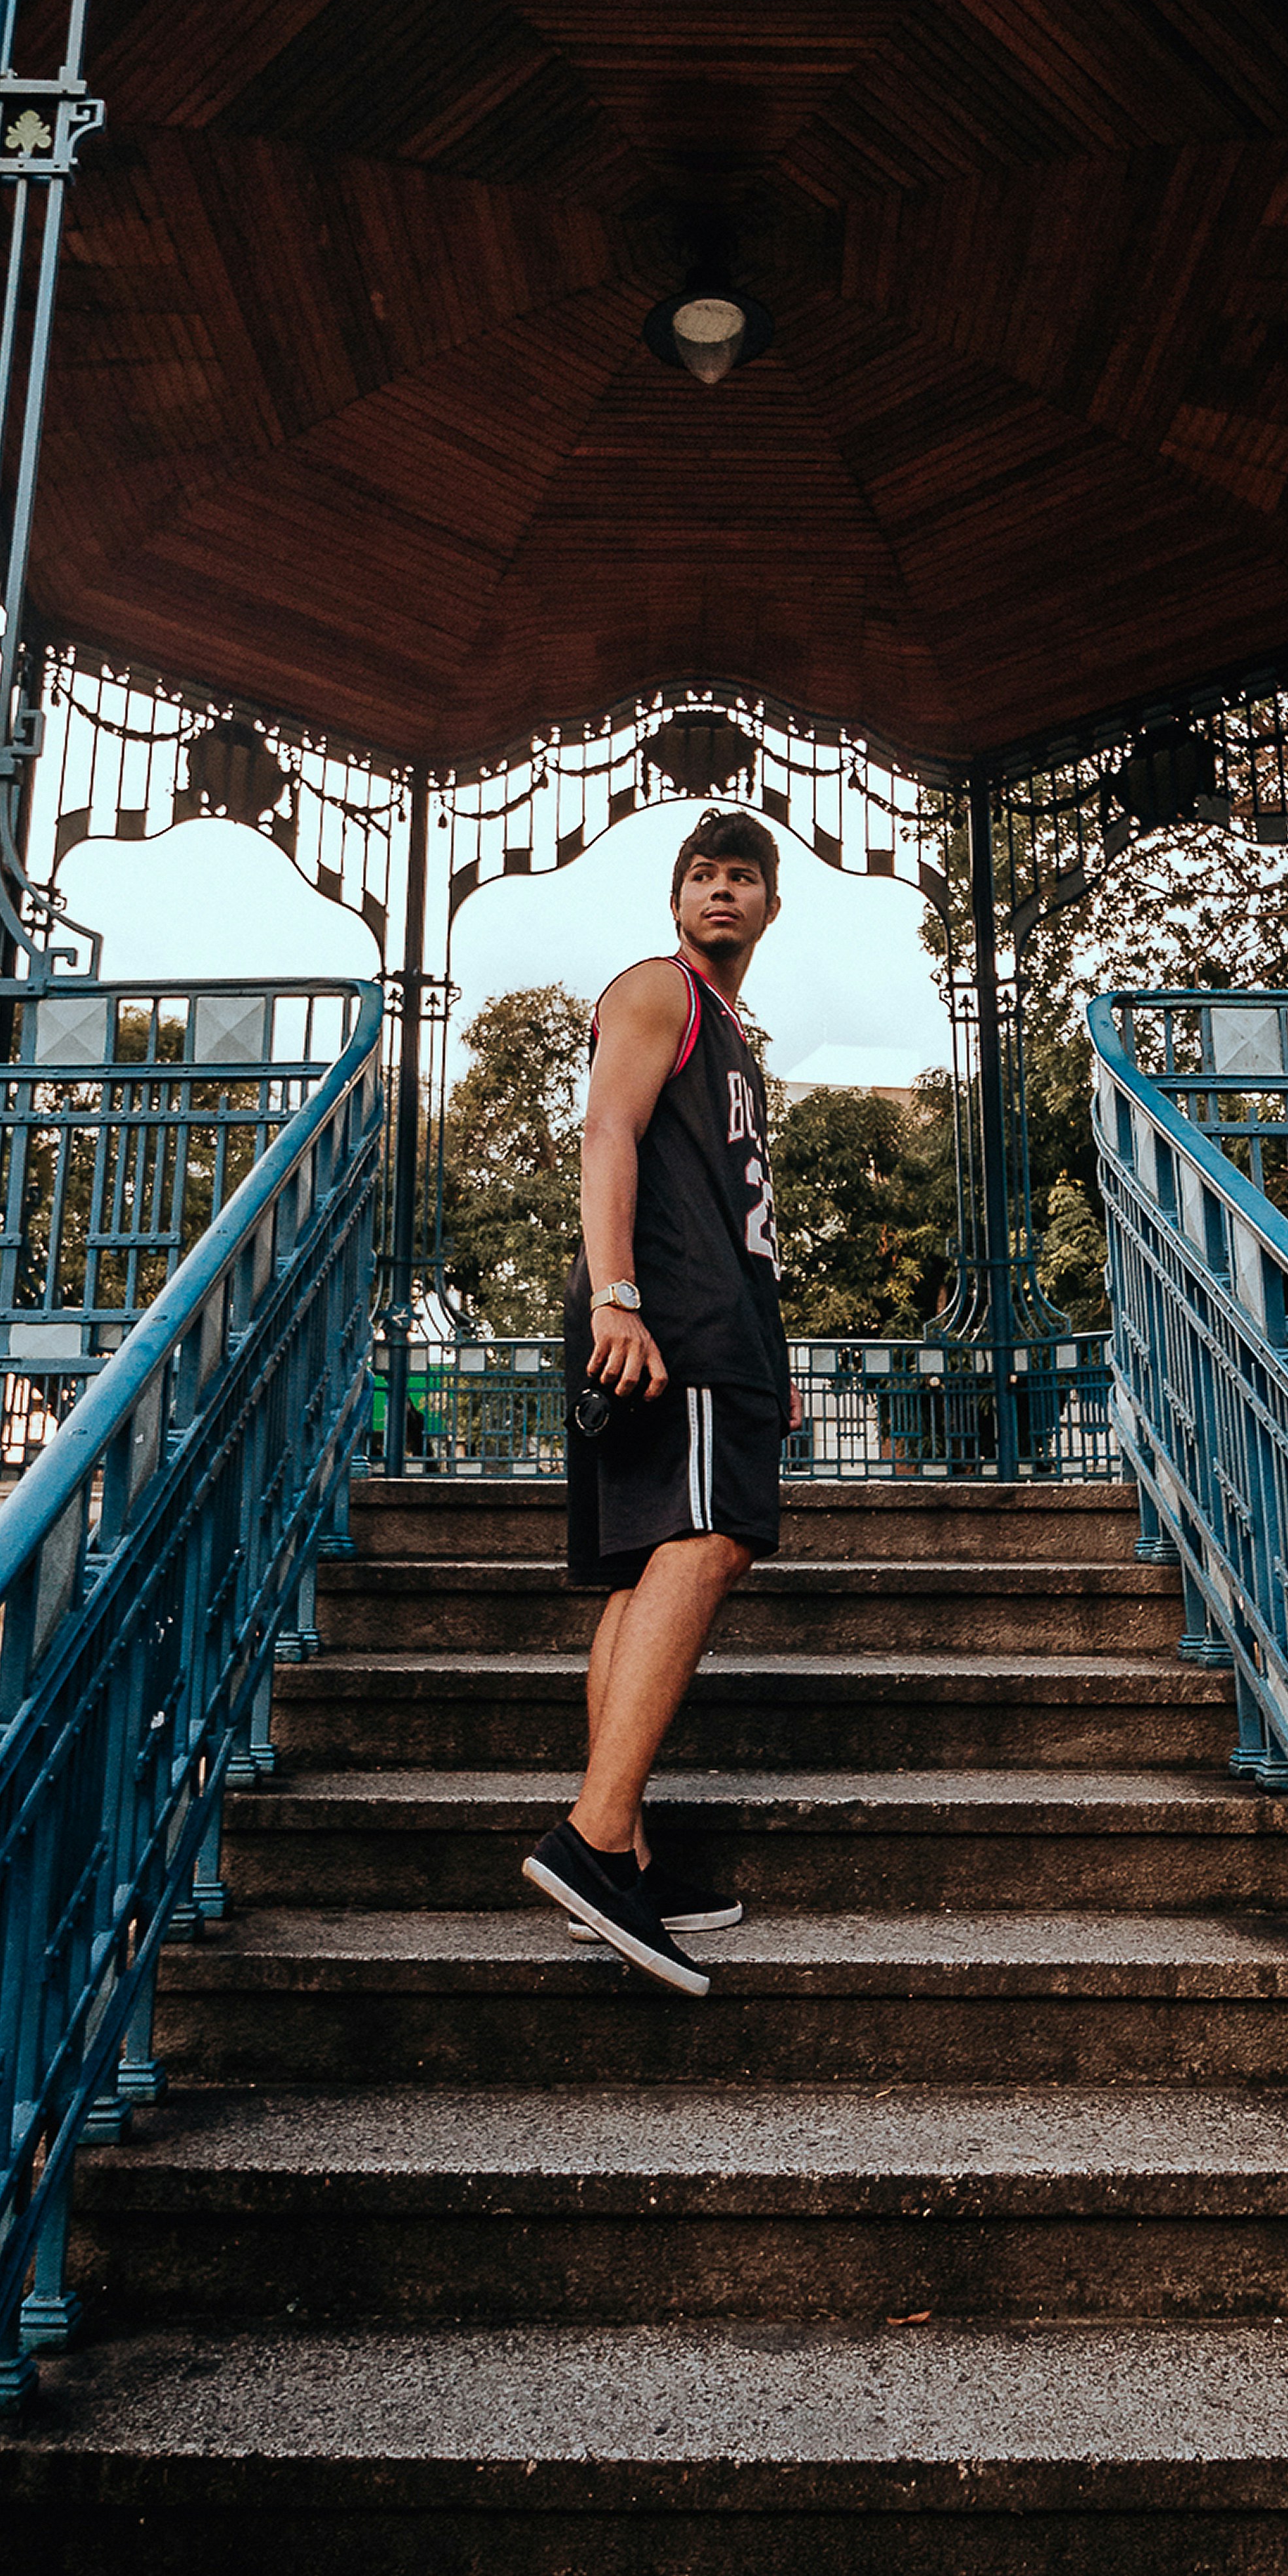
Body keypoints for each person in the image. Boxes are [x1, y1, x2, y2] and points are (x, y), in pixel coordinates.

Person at [522, 810, 794, 1996]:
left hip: (714, 1318)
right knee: (707, 1538)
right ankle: (591, 1840)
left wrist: (773, 1353)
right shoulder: (657, 991)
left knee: (651, 1565)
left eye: (743, 876)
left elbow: (739, 1213)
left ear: (770, 906)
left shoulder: (734, 1028)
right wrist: (619, 1299)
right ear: (675, 900)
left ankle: (618, 1846)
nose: (722, 890)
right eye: (702, 874)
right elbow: (606, 1133)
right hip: (667, 1317)